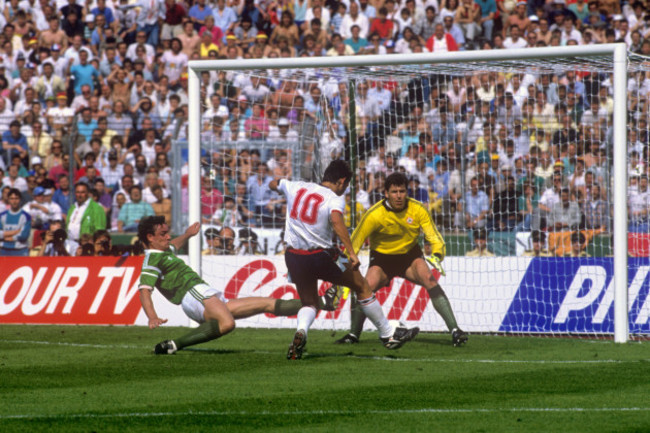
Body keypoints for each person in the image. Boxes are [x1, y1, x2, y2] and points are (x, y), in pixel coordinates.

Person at [270, 160, 419, 360]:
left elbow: (275, 183)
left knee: (309, 302)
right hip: (319, 255)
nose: (345, 190)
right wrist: (351, 252)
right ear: (341, 181)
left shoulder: (296, 186)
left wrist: (278, 187)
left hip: (293, 256)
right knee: (361, 285)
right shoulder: (333, 198)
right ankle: (387, 334)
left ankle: (301, 332)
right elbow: (336, 220)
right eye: (346, 186)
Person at [136, 216, 339, 355]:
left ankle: (323, 301)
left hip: (204, 294)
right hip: (193, 295)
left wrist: (188, 234)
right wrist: (152, 316)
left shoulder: (163, 251)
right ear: (150, 238)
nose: (168, 236)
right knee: (228, 324)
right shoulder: (152, 260)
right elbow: (145, 291)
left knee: (266, 304)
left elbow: (175, 244)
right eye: (163, 234)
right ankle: (175, 345)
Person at [336, 171, 467, 347]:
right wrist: (343, 270)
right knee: (364, 288)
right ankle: (353, 335)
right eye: (394, 192)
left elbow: (434, 237)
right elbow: (354, 244)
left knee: (430, 280)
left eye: (402, 191)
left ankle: (455, 331)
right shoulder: (374, 214)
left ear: (407, 192)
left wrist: (437, 255)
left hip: (410, 257)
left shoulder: (418, 209)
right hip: (382, 261)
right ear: (386, 193)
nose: (399, 196)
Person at [0, 188, 32, 256]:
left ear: (20, 199)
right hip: (4, 250)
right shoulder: (2, 216)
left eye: (16, 198)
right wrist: (15, 232)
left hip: (20, 250)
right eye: (11, 198)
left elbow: (24, 236)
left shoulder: (26, 216)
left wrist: (9, 237)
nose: (14, 201)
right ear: (8, 200)